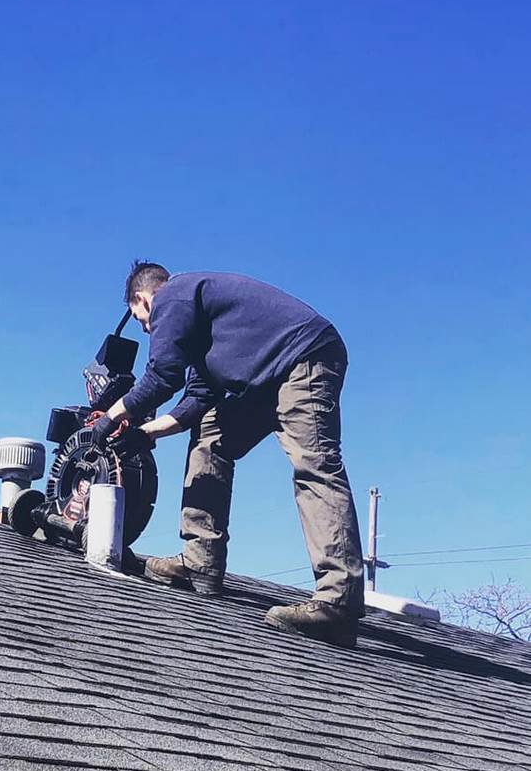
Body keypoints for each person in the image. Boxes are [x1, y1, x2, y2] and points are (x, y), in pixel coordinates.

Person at [92, 261, 365, 648]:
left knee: (315, 466)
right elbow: (196, 401)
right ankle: (200, 560)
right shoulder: (207, 336)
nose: (150, 329)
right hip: (271, 375)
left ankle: (338, 602)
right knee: (211, 433)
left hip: (304, 358)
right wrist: (145, 434)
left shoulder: (173, 295)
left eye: (142, 322)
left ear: (142, 298)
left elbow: (161, 377)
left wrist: (110, 418)